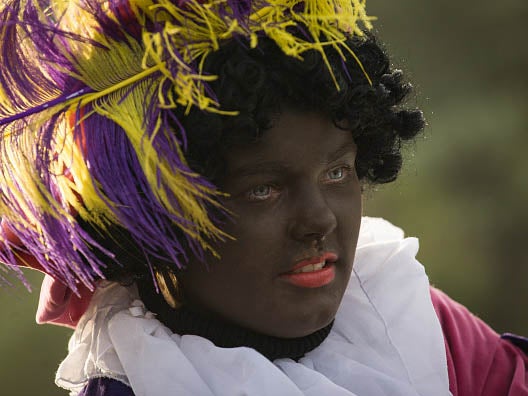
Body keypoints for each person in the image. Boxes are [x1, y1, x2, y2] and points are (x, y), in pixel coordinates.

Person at [0, 1, 526, 395]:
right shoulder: (140, 382)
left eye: (338, 171)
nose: (318, 219)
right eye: (263, 188)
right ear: (153, 215)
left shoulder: (411, 316)